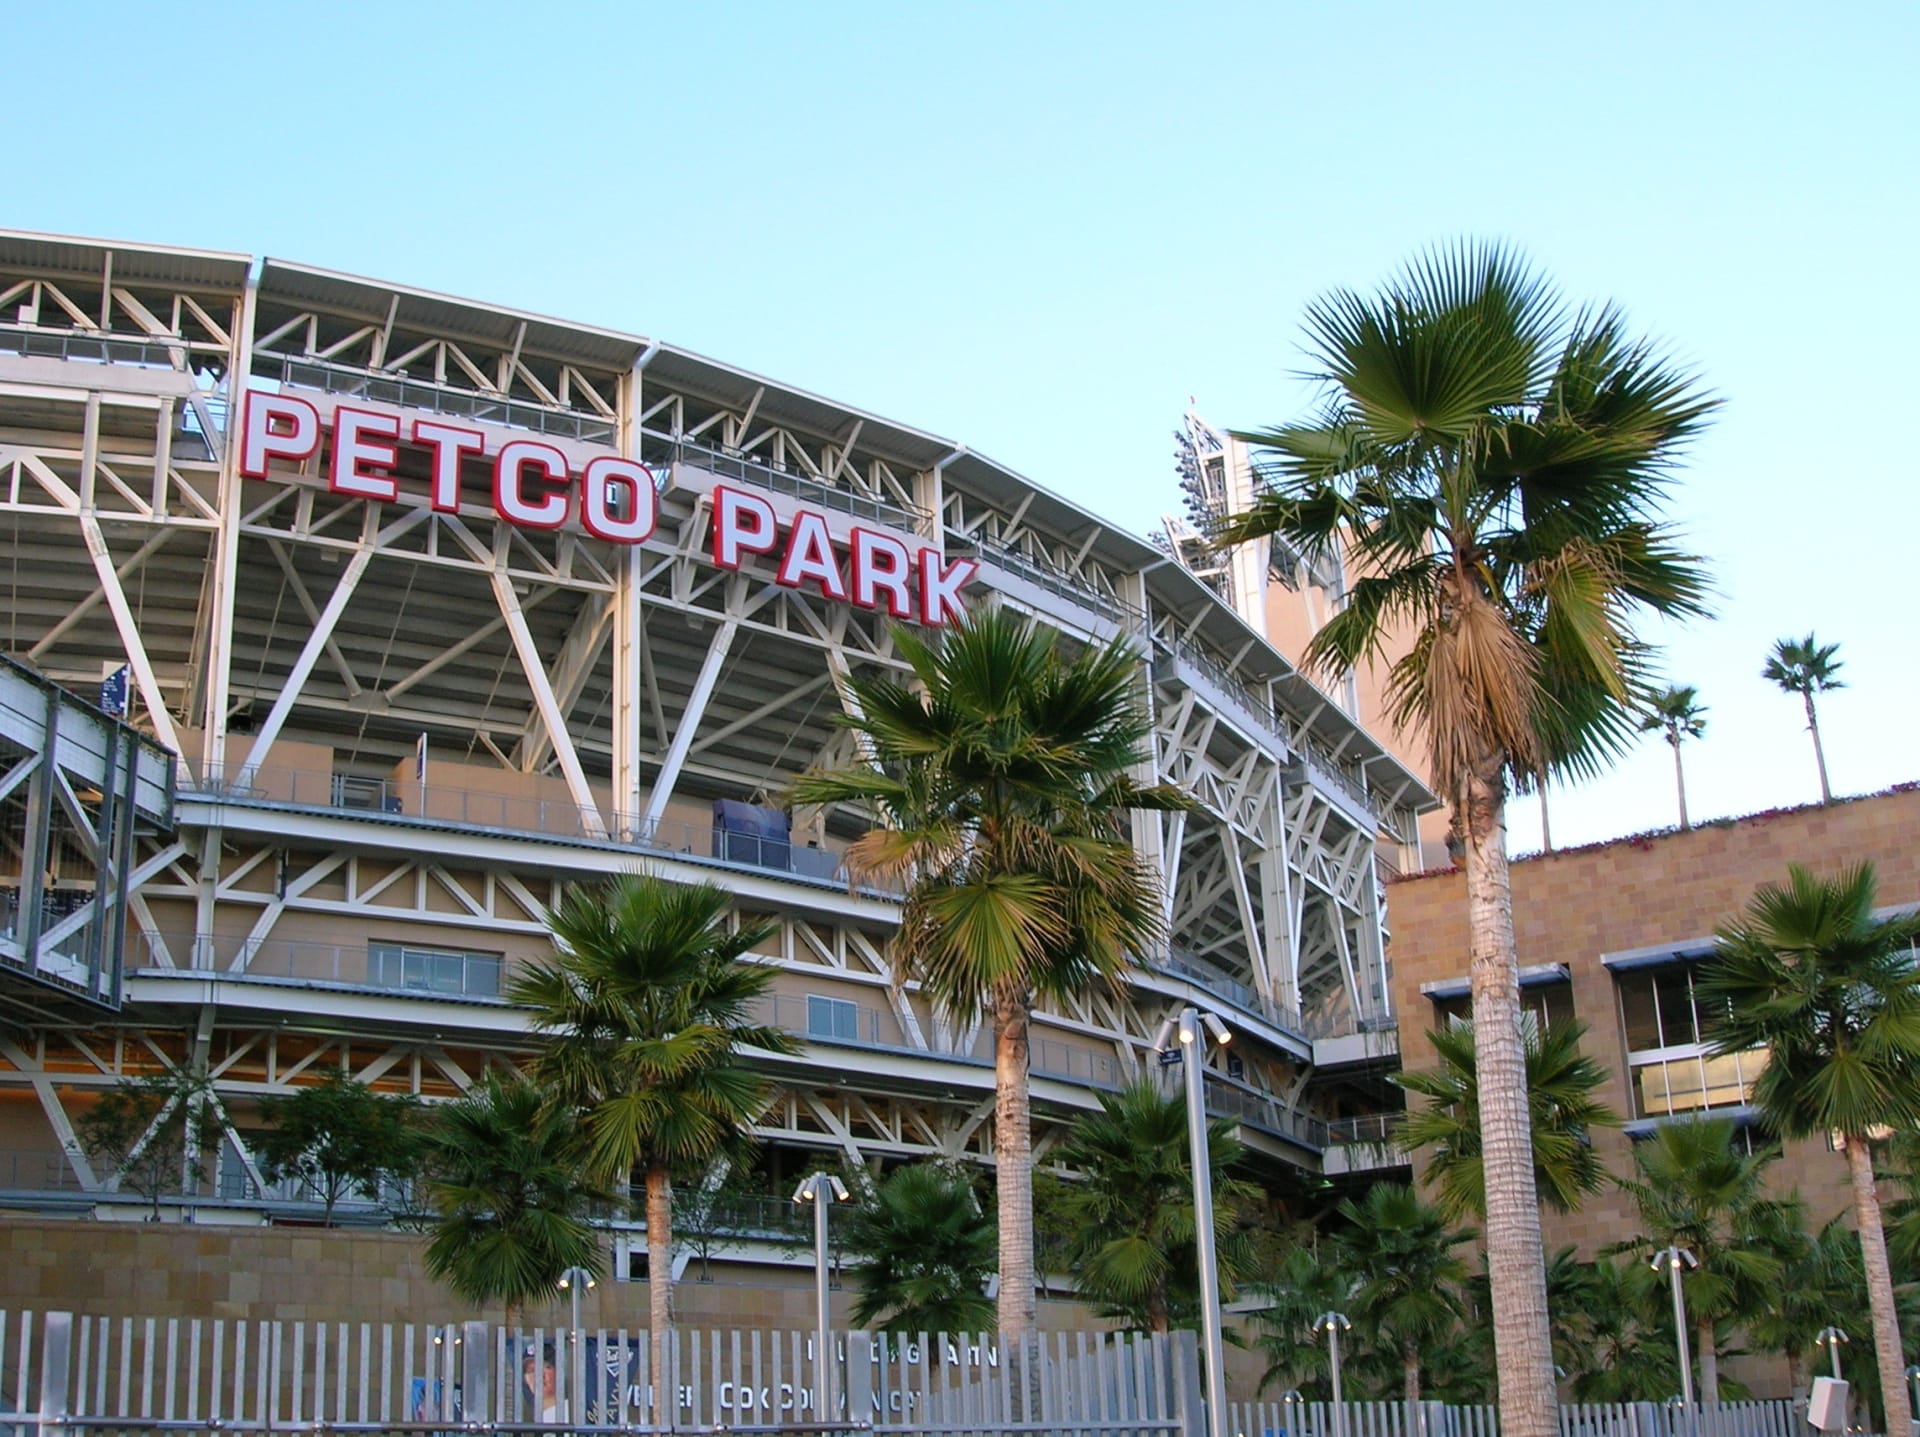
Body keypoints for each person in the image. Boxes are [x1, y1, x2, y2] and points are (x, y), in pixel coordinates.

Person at [521, 1342, 566, 1422]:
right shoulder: (533, 1420)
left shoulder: (573, 1413)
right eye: (530, 1371)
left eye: (546, 1367)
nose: (538, 1375)